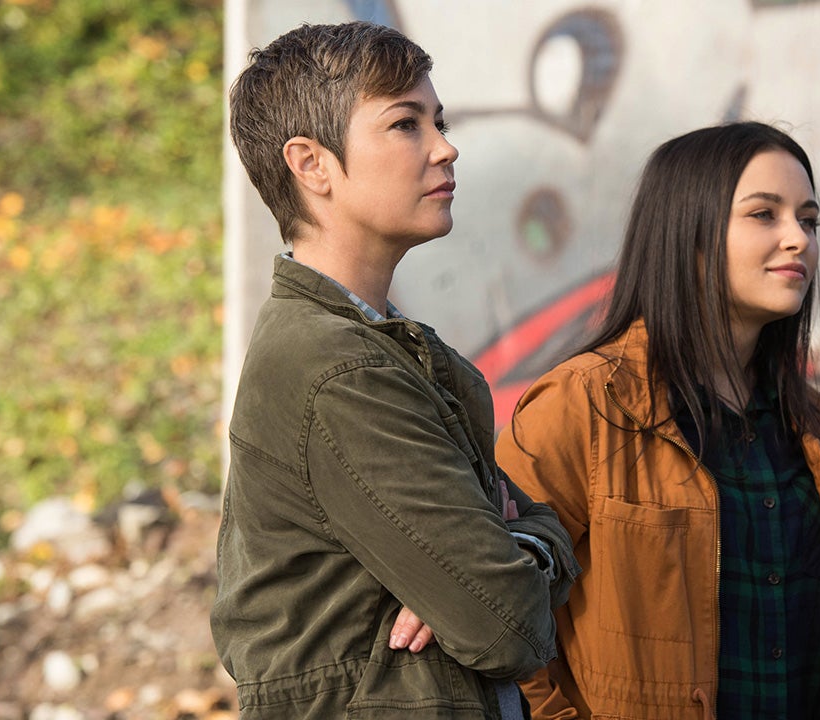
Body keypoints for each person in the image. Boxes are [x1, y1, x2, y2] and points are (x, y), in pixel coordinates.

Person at [211, 21, 578, 720]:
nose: (445, 147)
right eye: (406, 124)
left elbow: (515, 554)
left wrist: (516, 545)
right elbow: (506, 624)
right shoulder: (337, 368)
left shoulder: (384, 349)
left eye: (439, 122)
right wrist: (510, 562)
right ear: (311, 164)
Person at [495, 122, 820, 719]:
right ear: (688, 233)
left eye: (809, 220)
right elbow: (495, 607)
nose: (798, 239)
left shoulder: (812, 425)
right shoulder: (582, 406)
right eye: (764, 214)